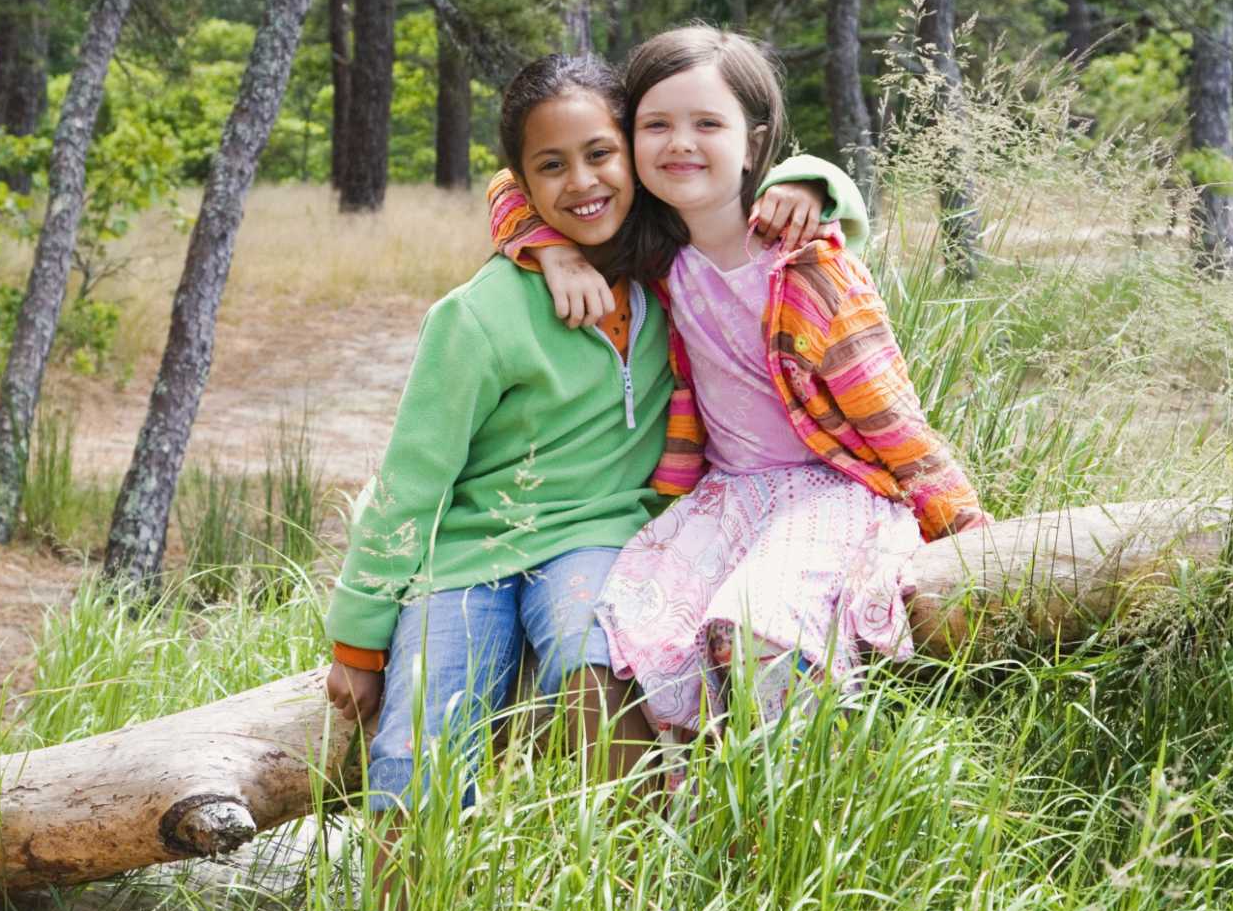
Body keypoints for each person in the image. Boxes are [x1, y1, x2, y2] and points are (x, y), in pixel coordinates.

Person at [323, 50, 868, 864]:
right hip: (461, 559)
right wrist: (358, 641)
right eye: (552, 169)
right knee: (418, 739)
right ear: (524, 183)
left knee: (600, 675)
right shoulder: (477, 316)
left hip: (597, 539)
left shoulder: (664, 268)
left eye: (600, 155)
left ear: (633, 154)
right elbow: (410, 484)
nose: (581, 182)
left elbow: (790, 202)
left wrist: (816, 179)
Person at [489, 26, 986, 745]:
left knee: (759, 619)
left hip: (830, 490)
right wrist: (553, 252)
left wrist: (965, 528)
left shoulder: (807, 267)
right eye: (654, 125)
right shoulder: (655, 251)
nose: (679, 143)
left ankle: (792, 806)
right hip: (725, 497)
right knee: (640, 623)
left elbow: (890, 418)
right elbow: (510, 184)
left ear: (753, 144)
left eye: (707, 125)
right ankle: (701, 812)